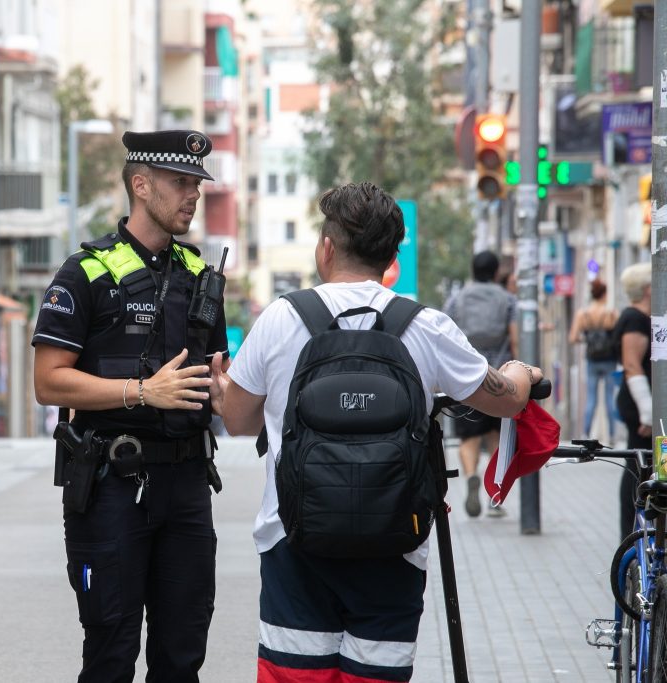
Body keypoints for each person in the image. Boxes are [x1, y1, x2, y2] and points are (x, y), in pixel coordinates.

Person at [208, 181, 542, 683]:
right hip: (395, 543)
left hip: (294, 542)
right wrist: (522, 370)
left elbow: (236, 420)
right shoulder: (425, 326)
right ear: (392, 257)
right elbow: (506, 397)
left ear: (326, 247)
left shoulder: (281, 318)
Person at [32, 129, 228, 682]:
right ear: (141, 185)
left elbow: (219, 376)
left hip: (188, 485)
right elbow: (48, 382)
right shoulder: (84, 272)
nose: (193, 194)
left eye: (197, 184)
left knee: (182, 656)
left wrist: (232, 390)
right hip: (113, 484)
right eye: (181, 183)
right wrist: (141, 392)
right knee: (111, 653)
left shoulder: (199, 277)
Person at [443, 250, 518, 517]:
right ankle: (494, 496)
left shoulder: (456, 299)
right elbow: (515, 338)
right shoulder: (508, 300)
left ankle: (472, 475)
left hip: (465, 378)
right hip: (499, 378)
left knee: (468, 437)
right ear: (496, 272)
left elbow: (446, 336)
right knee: (496, 437)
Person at [613, 262, 652, 540]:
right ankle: (631, 534)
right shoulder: (635, 319)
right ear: (649, 289)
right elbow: (631, 364)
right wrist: (648, 411)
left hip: (642, 406)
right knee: (638, 466)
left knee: (643, 466)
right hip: (640, 408)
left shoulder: (643, 318)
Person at [569, 278, 619, 442]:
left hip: (592, 360)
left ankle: (585, 433)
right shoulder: (611, 313)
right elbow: (618, 336)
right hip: (609, 360)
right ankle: (612, 435)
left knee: (591, 398)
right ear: (604, 294)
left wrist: (588, 340)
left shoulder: (583, 314)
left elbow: (573, 337)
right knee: (609, 399)